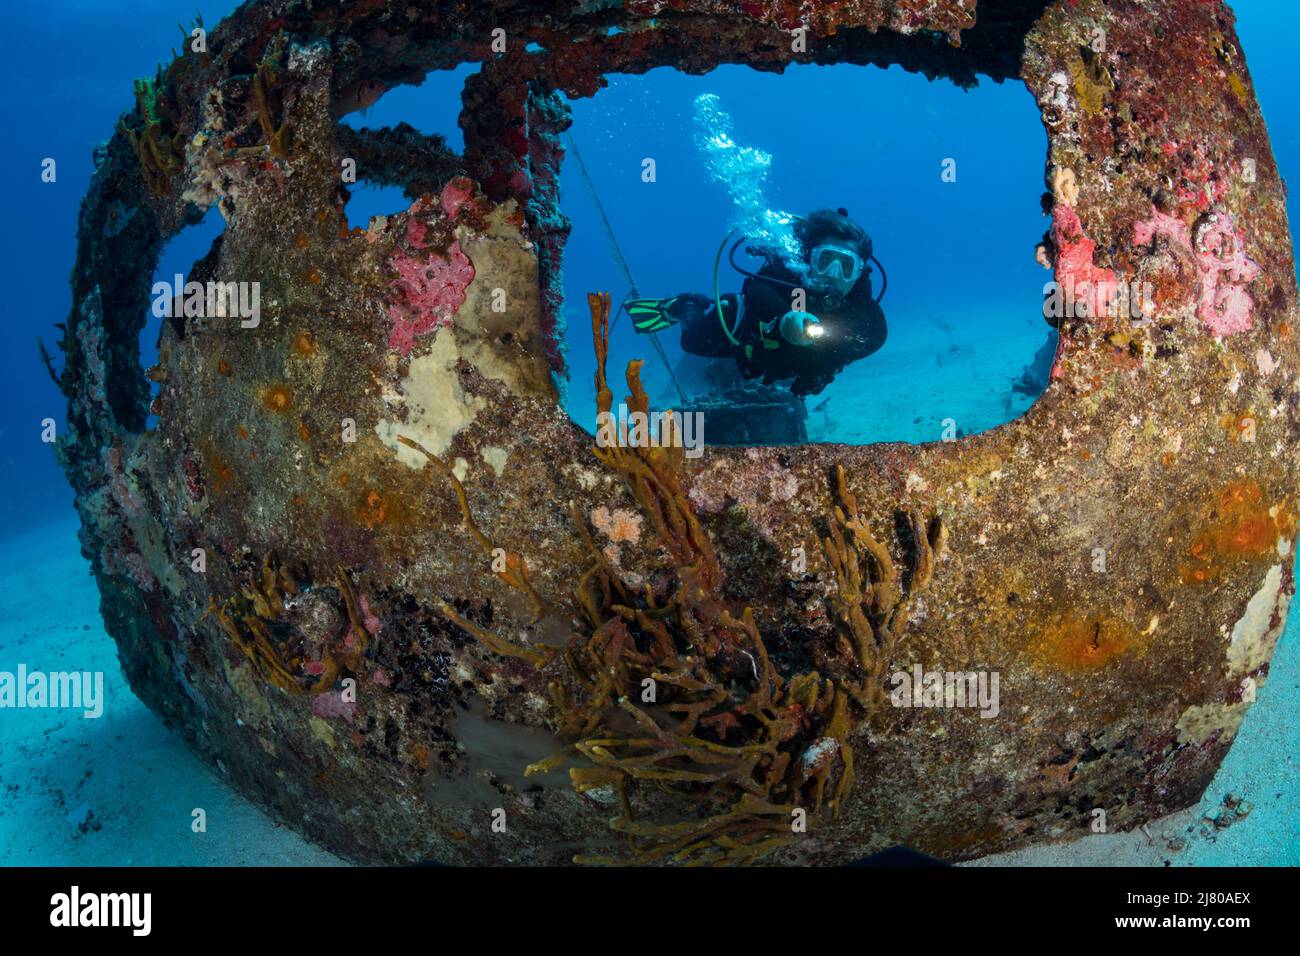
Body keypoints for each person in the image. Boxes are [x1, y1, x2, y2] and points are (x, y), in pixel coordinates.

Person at [626, 208, 887, 397]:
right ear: (809, 258)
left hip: (788, 362)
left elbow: (875, 333)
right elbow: (757, 288)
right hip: (756, 337)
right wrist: (785, 318)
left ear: (859, 271)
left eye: (846, 266)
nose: (833, 273)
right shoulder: (790, 269)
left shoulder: (859, 302)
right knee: (692, 341)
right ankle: (687, 308)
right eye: (825, 259)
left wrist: (822, 369)